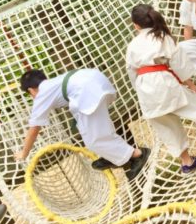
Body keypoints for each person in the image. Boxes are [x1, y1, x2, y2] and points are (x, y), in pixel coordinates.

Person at [126, 4, 196, 173]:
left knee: (168, 128)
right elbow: (179, 64)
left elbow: (131, 72)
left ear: (136, 26)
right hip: (163, 83)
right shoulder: (161, 36)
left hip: (145, 91)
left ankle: (187, 163)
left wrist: (141, 91)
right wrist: (190, 83)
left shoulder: (132, 45)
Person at [16, 68, 150, 181]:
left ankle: (138, 155)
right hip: (97, 81)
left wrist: (24, 153)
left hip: (86, 91)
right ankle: (112, 156)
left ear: (31, 90)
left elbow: (34, 129)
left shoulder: (42, 93)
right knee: (99, 132)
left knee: (94, 141)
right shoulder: (53, 83)